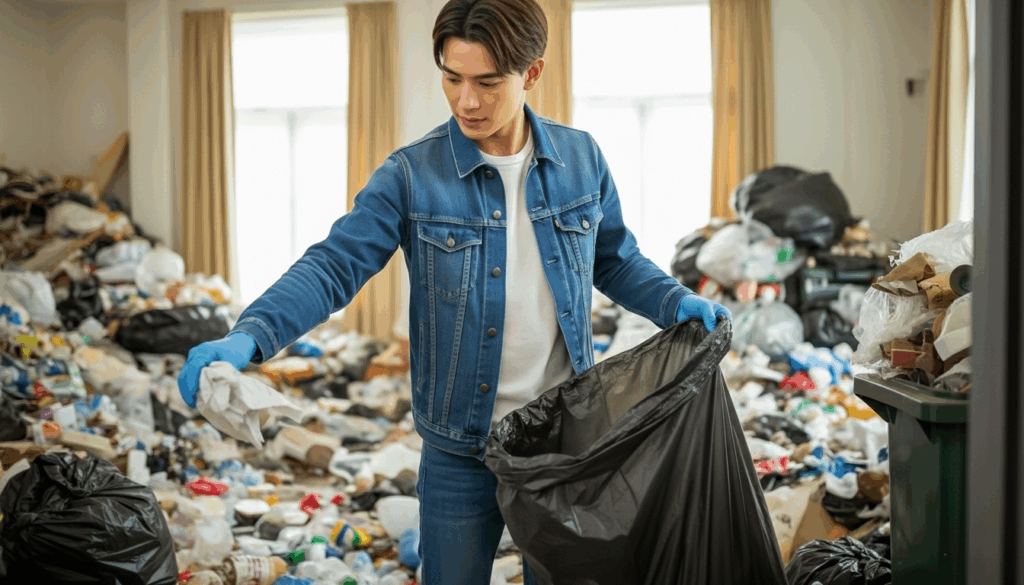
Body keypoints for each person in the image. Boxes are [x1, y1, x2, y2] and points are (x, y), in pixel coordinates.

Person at [177, 0, 732, 582]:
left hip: (561, 440)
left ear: (532, 74)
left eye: (487, 82)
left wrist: (674, 301)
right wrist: (250, 336)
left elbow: (615, 260)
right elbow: (334, 265)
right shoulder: (412, 175)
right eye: (452, 78)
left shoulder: (581, 159)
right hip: (458, 450)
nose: (466, 101)